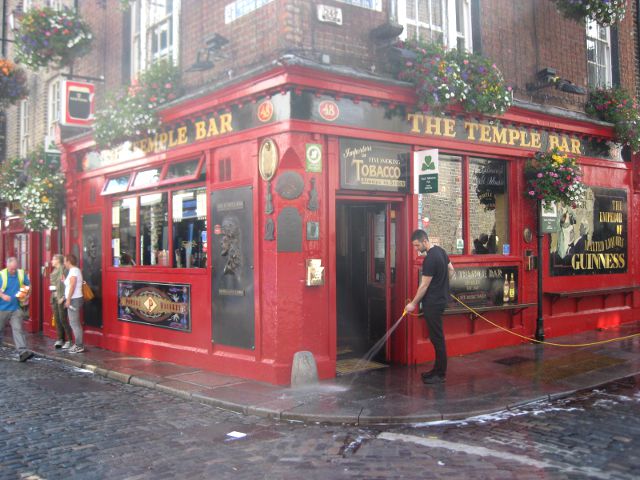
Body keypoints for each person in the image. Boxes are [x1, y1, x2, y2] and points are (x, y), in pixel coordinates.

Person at [405, 230, 455, 385]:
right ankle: (436, 370)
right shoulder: (441, 251)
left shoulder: (430, 259)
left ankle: (440, 374)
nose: (416, 248)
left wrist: (413, 304)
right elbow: (452, 271)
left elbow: (424, 285)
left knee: (437, 338)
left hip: (432, 303)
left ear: (425, 241)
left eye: (417, 245)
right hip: (440, 300)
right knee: (436, 337)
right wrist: (442, 284)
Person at [0, 257, 34, 362]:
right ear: (7, 266)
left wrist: (25, 295)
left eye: (15, 268)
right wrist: (2, 295)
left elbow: (28, 285)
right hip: (2, 308)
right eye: (11, 269)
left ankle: (22, 352)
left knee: (18, 330)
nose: (13, 271)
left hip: (16, 307)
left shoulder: (20, 273)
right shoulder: (1, 275)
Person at [63, 254, 85, 353]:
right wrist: (64, 281)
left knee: (74, 323)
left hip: (74, 300)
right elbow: (70, 285)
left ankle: (79, 345)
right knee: (74, 323)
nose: (64, 263)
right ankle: (78, 344)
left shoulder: (74, 271)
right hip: (74, 299)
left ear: (68, 261)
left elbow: (72, 286)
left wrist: (68, 300)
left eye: (64, 261)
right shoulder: (73, 271)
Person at [50, 254, 73, 349]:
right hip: (54, 297)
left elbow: (67, 284)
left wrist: (63, 297)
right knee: (57, 319)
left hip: (62, 298)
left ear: (58, 260)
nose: (51, 261)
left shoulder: (64, 270)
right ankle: (60, 339)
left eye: (53, 259)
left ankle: (70, 340)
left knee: (63, 318)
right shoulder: (54, 271)